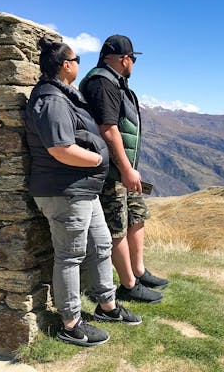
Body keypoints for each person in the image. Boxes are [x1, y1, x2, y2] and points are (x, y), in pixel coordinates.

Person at [24, 37, 141, 347]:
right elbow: (61, 148)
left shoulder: (63, 95)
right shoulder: (51, 100)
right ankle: (71, 323)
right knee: (70, 256)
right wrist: (98, 158)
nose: (79, 64)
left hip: (82, 190)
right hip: (65, 191)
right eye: (76, 60)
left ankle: (107, 306)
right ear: (66, 65)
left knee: (101, 245)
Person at [79, 35, 169, 304]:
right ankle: (128, 284)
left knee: (136, 216)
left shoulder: (116, 84)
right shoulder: (102, 84)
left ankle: (138, 272)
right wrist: (126, 169)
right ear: (120, 59)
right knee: (117, 225)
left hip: (125, 169)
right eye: (132, 58)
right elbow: (108, 129)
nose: (133, 63)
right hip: (112, 171)